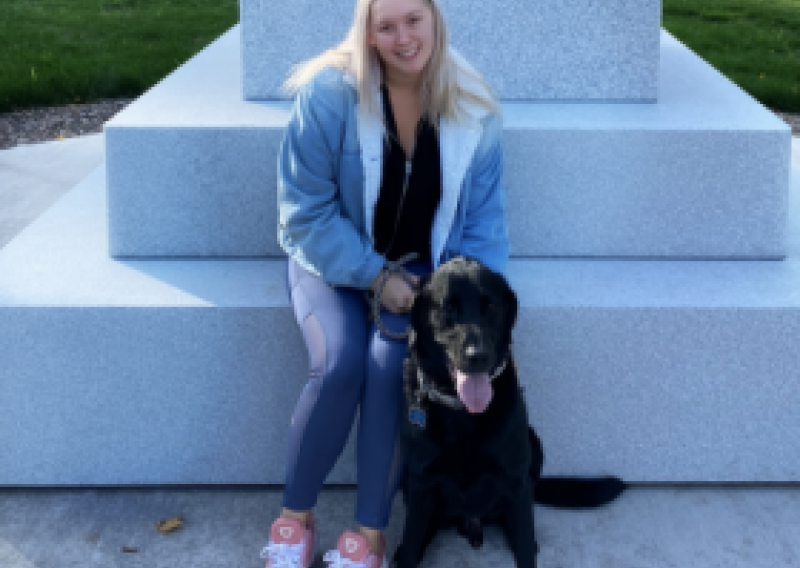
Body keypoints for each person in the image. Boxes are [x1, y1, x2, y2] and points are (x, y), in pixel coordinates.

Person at [260, 0, 509, 566]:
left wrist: (475, 319)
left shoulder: (474, 108)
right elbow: (303, 213)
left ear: (435, 21)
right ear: (367, 33)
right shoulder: (329, 95)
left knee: (389, 365)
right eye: (387, 26)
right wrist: (375, 275)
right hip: (330, 261)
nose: (403, 38)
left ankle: (367, 536)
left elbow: (484, 229)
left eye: (414, 20)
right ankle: (294, 518)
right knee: (341, 362)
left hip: (423, 275)